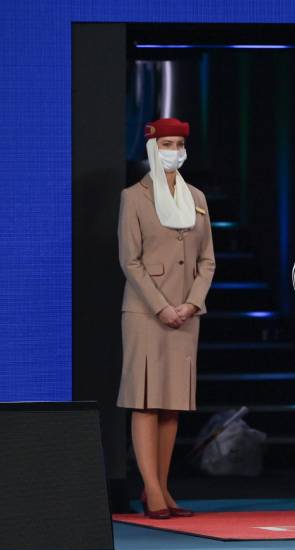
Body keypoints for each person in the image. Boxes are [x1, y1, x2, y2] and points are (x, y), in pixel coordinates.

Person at [117, 117, 215, 519]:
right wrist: (162, 306)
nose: (173, 150)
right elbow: (130, 259)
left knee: (172, 402)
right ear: (152, 148)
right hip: (147, 312)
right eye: (166, 144)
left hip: (186, 312)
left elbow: (207, 260)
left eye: (178, 143)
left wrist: (191, 303)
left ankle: (163, 487)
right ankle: (152, 491)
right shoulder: (134, 197)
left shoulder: (196, 197)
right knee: (146, 400)